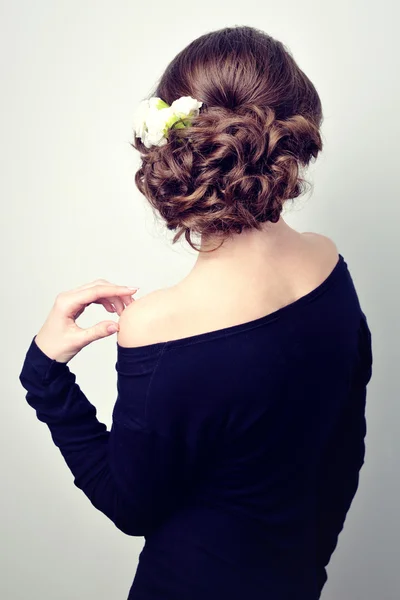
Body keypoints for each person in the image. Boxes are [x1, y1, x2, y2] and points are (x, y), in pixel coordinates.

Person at [19, 25, 373, 600]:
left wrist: (44, 377)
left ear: (174, 148)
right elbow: (343, 451)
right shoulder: (328, 263)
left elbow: (130, 505)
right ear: (294, 136)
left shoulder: (158, 324)